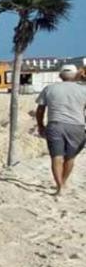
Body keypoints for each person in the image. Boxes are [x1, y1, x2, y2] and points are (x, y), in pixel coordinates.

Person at [36, 64, 86, 195]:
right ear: (76, 75)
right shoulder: (83, 89)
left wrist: (40, 125)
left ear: (59, 75)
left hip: (55, 125)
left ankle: (59, 186)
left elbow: (40, 109)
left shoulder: (49, 89)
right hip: (77, 126)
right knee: (70, 158)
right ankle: (63, 182)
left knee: (56, 157)